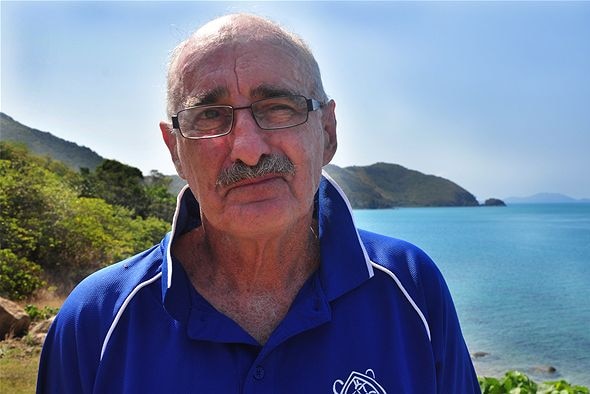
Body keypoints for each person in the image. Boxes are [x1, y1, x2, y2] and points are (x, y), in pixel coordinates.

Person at [37, 14, 480, 393]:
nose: (248, 149)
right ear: (175, 150)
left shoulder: (410, 288)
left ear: (327, 132)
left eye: (278, 106)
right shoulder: (96, 320)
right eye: (210, 116)